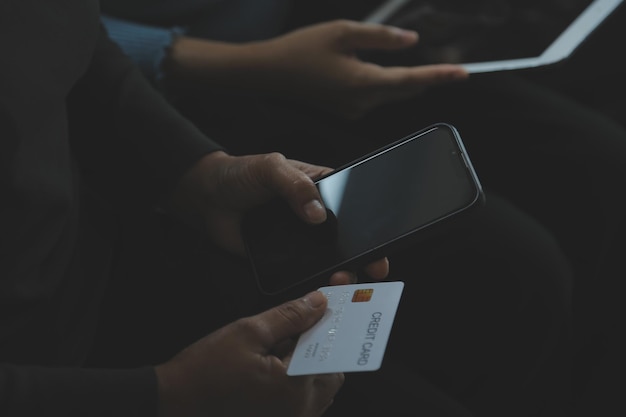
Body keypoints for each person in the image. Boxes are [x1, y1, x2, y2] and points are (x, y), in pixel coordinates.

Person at [0, 1, 575, 417]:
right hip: (66, 377)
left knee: (514, 272)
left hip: (100, 242)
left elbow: (65, 33)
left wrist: (194, 171)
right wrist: (163, 396)